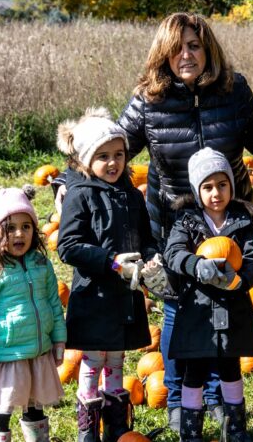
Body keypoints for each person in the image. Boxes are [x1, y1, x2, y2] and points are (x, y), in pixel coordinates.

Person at [113, 12, 253, 430]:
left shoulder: (234, 90)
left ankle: (218, 396)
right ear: (163, 54)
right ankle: (177, 397)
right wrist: (70, 182)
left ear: (208, 49)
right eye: (177, 48)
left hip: (229, 222)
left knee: (225, 305)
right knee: (178, 310)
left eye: (194, 46)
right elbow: (112, 148)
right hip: (173, 225)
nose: (186, 55)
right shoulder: (149, 100)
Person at [55, 107, 166, 442]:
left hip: (124, 296)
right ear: (86, 159)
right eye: (103, 156)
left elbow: (146, 238)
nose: (113, 162)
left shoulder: (132, 195)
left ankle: (116, 427)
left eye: (119, 154)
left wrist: (151, 260)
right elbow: (68, 246)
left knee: (116, 360)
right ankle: (88, 430)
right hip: (94, 295)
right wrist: (112, 262)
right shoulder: (80, 194)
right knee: (92, 361)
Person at [164, 147, 253, 442]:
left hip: (233, 307)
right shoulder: (186, 220)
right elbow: (173, 253)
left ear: (231, 186)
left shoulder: (243, 220)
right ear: (197, 191)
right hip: (198, 309)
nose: (216, 193)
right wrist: (196, 265)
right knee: (194, 370)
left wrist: (239, 281)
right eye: (207, 187)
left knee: (231, 368)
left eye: (222, 185)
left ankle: (235, 429)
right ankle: (190, 430)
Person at [0, 187, 67, 442]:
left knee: (35, 407)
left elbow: (54, 303)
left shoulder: (41, 265)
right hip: (6, 356)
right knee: (2, 409)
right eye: (10, 228)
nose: (19, 233)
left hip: (37, 353)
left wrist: (59, 339)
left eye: (26, 226)